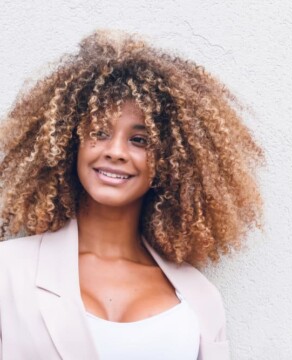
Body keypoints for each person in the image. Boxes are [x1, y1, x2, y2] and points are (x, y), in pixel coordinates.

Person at [0, 29, 263, 360]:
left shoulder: (198, 297)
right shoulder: (8, 272)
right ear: (70, 142)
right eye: (99, 132)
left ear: (170, 159)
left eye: (140, 140)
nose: (116, 152)